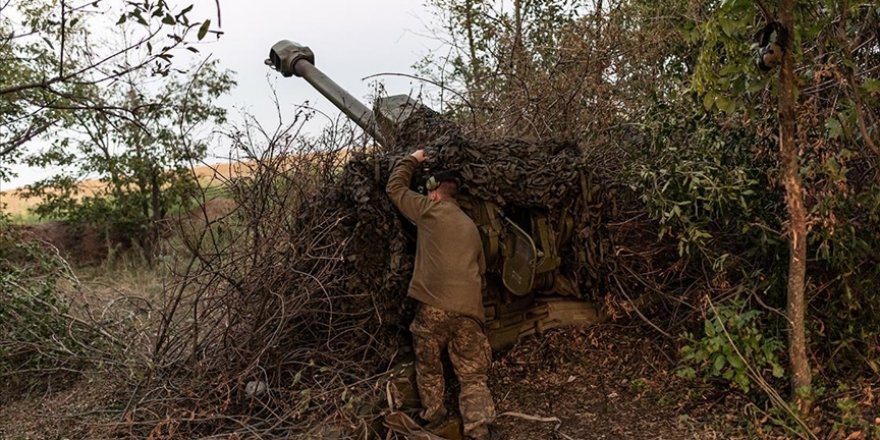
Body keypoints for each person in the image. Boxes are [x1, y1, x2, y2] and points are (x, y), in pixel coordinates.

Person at [386, 149, 496, 440]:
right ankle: (479, 429)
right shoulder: (471, 227)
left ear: (434, 193)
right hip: (470, 311)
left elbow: (394, 188)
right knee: (472, 375)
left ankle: (435, 419)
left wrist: (413, 159)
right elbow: (481, 271)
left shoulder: (429, 210)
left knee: (429, 367)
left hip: (433, 308)